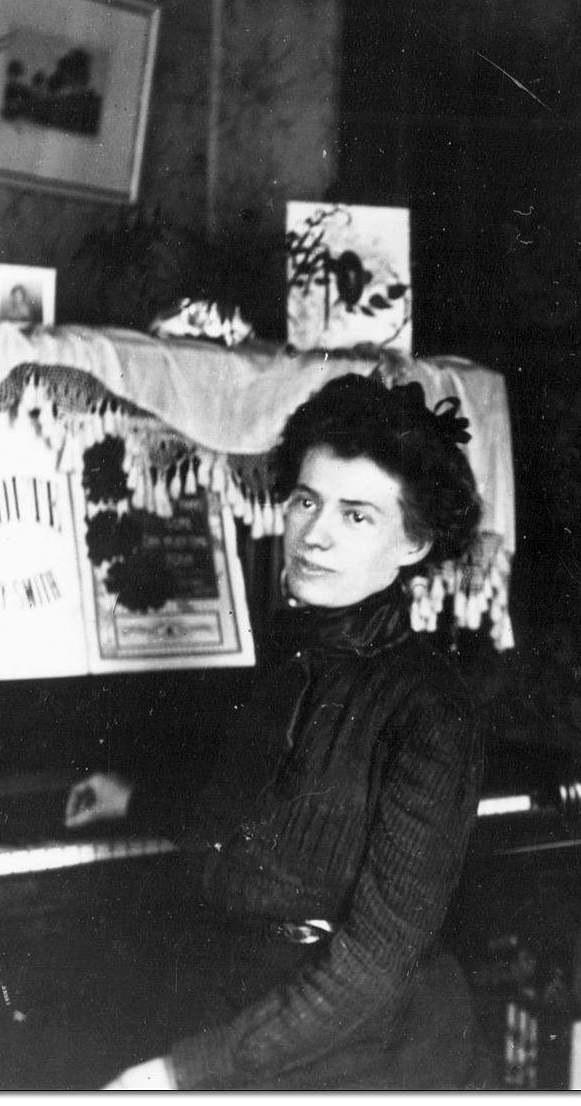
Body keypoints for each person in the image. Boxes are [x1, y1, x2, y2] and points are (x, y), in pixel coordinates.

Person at [64, 373, 486, 1090]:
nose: (315, 534)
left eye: (357, 516)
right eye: (305, 501)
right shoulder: (287, 653)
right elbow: (259, 825)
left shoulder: (432, 706)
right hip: (240, 992)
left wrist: (181, 1069)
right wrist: (131, 798)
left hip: (358, 1044)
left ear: (413, 543)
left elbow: (375, 960)